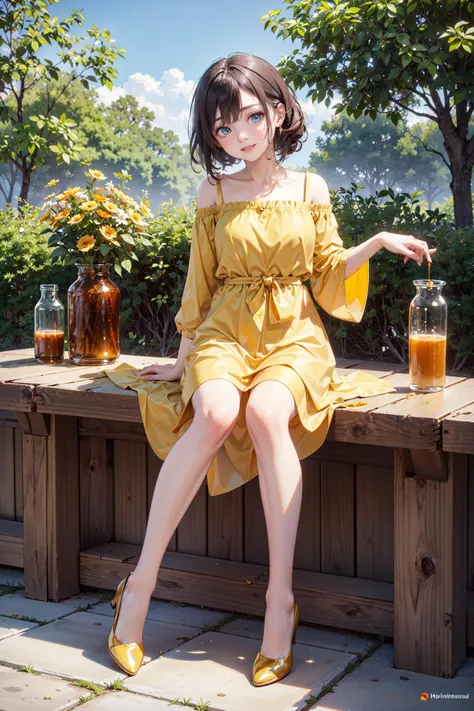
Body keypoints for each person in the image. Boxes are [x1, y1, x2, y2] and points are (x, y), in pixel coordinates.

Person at [104, 52, 436, 686]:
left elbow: (328, 274)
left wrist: (377, 243)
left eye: (253, 117)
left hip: (294, 335)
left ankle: (279, 604)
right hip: (224, 329)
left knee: (264, 412)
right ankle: (139, 587)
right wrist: (181, 365)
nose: (241, 135)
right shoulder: (214, 192)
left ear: (279, 111)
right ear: (212, 133)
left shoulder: (311, 189)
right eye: (225, 126)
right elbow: (198, 288)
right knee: (218, 409)